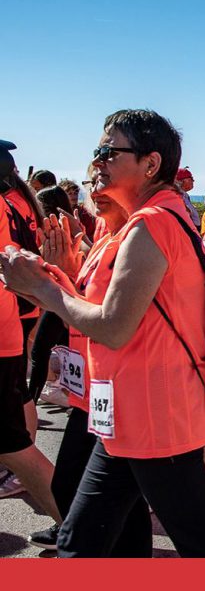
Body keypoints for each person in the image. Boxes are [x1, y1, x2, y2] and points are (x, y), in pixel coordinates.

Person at [0, 110, 205, 557]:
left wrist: (41, 290)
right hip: (130, 412)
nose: (97, 162)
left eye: (109, 151)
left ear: (150, 164)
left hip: (153, 415)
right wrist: (58, 282)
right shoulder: (149, 219)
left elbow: (112, 327)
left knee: (200, 546)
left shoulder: (153, 223)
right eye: (97, 151)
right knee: (90, 541)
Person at [27, 183, 152, 553]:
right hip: (94, 387)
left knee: (186, 521)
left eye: (106, 182)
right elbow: (83, 299)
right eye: (92, 184)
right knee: (94, 498)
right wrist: (53, 276)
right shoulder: (103, 237)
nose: (96, 190)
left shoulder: (140, 238)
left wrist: (49, 289)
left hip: (121, 387)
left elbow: (113, 321)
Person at [0, 140, 61, 526]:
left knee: (13, 443)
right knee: (14, 430)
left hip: (9, 318)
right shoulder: (17, 201)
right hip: (15, 313)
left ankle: (81, 531)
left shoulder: (10, 204)